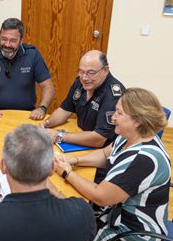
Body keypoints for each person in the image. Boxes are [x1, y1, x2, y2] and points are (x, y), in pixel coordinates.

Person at [54, 88, 171, 241]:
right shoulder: (130, 136)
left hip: (135, 232)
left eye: (119, 113)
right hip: (118, 213)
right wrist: (73, 160)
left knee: (68, 236)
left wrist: (66, 172)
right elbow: (105, 155)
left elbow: (100, 197)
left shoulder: (142, 160)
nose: (112, 117)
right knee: (72, 218)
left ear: (137, 120)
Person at [43, 50, 125, 183]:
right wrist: (45, 125)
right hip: (81, 144)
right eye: (81, 71)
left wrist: (59, 136)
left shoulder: (113, 95)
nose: (85, 77)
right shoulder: (80, 82)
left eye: (91, 72)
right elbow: (65, 109)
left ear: (105, 70)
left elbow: (99, 139)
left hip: (103, 160)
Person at [0, 18, 55, 120]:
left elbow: (48, 87)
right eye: (4, 39)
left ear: (21, 40)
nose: (7, 44)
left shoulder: (32, 55)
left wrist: (42, 108)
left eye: (13, 40)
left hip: (27, 115)